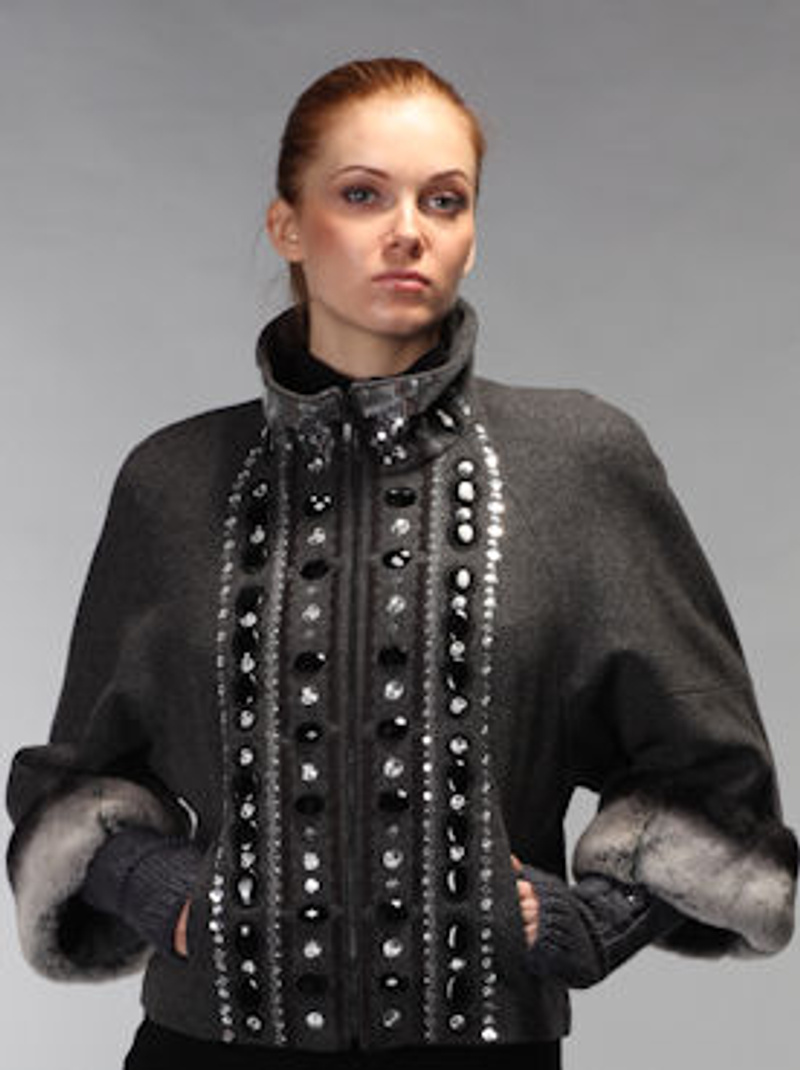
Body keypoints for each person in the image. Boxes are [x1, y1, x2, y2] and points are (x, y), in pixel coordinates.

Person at [5, 56, 797, 1070]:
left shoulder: (579, 462)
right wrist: (164, 893)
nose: (409, 230)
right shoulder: (172, 479)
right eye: (362, 194)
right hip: (204, 1045)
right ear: (288, 225)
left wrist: (599, 916)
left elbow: (715, 780)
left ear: (470, 233)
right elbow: (72, 785)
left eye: (444, 199)